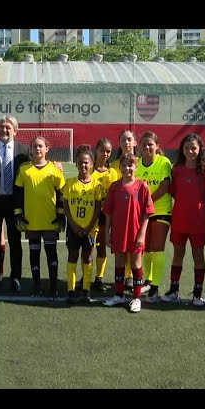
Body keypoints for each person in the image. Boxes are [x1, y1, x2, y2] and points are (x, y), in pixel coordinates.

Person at [161, 133, 205, 306]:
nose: (190, 151)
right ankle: (174, 290)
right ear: (182, 149)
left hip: (197, 222)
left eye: (194, 148)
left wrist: (199, 208)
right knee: (178, 254)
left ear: (200, 150)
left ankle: (197, 294)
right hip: (179, 220)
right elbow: (174, 191)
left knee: (198, 255)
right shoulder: (176, 170)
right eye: (186, 148)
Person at [0, 116, 30, 293]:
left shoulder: (24, 150)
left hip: (15, 203)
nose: (4, 130)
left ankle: (15, 277)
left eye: (8, 127)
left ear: (15, 131)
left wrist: (57, 166)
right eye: (1, 127)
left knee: (15, 242)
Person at [103, 153, 155, 313]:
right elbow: (109, 213)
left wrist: (141, 234)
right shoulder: (114, 186)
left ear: (136, 166)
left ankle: (136, 298)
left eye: (130, 165)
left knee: (135, 263)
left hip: (135, 232)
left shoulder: (142, 186)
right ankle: (119, 295)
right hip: (118, 231)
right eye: (124, 165)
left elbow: (147, 213)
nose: (127, 168)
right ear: (120, 167)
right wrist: (107, 233)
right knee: (119, 262)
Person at [14, 136, 66, 298]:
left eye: (40, 146)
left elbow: (61, 193)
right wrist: (18, 214)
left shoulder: (55, 169)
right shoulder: (24, 170)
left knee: (52, 254)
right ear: (30, 149)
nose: (37, 149)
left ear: (46, 149)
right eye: (34, 146)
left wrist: (60, 215)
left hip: (50, 221)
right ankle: (37, 285)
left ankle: (53, 286)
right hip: (31, 221)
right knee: (34, 254)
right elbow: (18, 194)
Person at [62, 145, 103, 303]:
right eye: (80, 162)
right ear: (76, 164)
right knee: (72, 256)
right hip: (73, 229)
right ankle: (71, 290)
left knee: (88, 257)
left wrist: (89, 227)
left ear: (92, 164)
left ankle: (86, 289)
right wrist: (73, 225)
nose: (83, 165)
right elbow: (65, 205)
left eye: (86, 162)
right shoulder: (70, 183)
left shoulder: (96, 186)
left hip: (90, 230)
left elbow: (98, 208)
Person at [136, 131, 173, 303]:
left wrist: (148, 203)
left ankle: (155, 288)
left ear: (157, 146)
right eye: (144, 144)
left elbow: (165, 186)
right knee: (147, 248)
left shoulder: (163, 162)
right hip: (143, 213)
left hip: (160, 210)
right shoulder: (137, 164)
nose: (147, 147)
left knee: (157, 248)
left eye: (151, 144)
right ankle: (149, 281)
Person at [89, 137, 119, 292]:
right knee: (88, 248)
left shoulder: (112, 173)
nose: (105, 154)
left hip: (105, 217)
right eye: (102, 150)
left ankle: (99, 278)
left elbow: (115, 195)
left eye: (108, 151)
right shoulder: (88, 170)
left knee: (101, 247)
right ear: (96, 149)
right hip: (88, 216)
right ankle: (86, 276)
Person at [110, 129, 137, 291]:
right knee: (120, 248)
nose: (126, 143)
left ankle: (136, 277)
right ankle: (125, 277)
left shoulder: (139, 163)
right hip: (119, 214)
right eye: (123, 140)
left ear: (135, 142)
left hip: (136, 214)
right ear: (119, 143)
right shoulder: (113, 166)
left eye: (129, 139)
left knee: (137, 248)